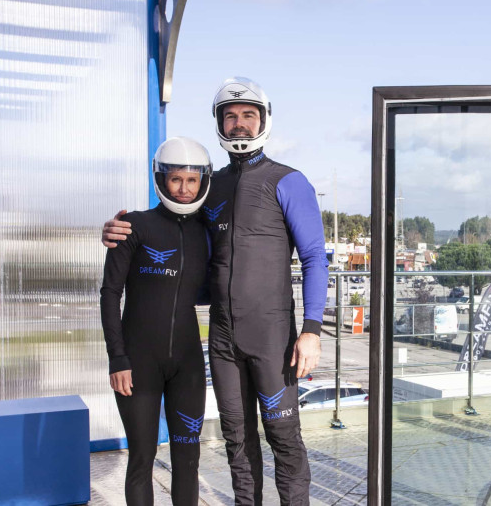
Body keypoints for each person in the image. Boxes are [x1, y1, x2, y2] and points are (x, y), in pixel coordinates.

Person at [103, 77, 328, 505]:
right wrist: (118, 229)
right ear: (220, 125)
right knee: (237, 441)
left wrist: (312, 329)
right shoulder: (212, 187)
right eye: (230, 116)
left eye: (247, 115)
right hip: (223, 340)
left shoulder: (288, 180)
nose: (239, 123)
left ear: (263, 120)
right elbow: (175, 234)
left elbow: (316, 257)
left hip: (273, 337)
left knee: (284, 438)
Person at [100, 137, 212, 506]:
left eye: (192, 180)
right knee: (142, 459)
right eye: (176, 179)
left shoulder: (207, 233)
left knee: (188, 460)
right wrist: (118, 358)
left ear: (202, 182)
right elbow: (110, 294)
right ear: (161, 180)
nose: (184, 188)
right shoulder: (133, 226)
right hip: (137, 364)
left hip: (189, 366)